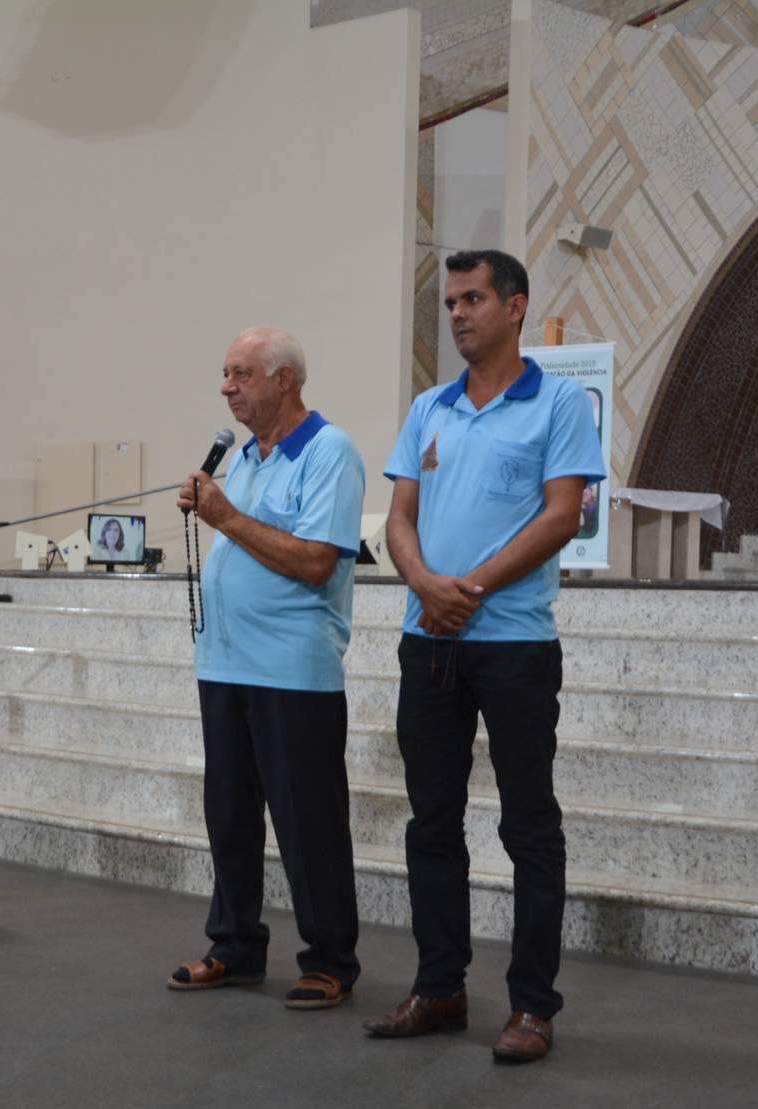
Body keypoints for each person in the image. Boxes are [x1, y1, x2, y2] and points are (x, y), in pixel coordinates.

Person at [366, 249, 606, 1063]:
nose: (458, 315)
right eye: (451, 303)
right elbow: (399, 517)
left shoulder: (559, 402)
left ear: (515, 306)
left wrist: (467, 588)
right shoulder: (429, 407)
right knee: (430, 821)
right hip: (428, 640)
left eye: (472, 299)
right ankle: (439, 988)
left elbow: (563, 515)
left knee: (528, 824)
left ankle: (533, 1006)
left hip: (514, 646)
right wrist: (425, 584)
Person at [168, 327, 367, 1010]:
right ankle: (235, 946)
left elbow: (315, 562)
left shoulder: (329, 452)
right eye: (225, 374)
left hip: (292, 670)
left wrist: (223, 515)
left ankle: (330, 960)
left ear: (285, 380)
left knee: (308, 822)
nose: (226, 387)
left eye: (241, 374)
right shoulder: (246, 457)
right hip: (225, 664)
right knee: (229, 815)